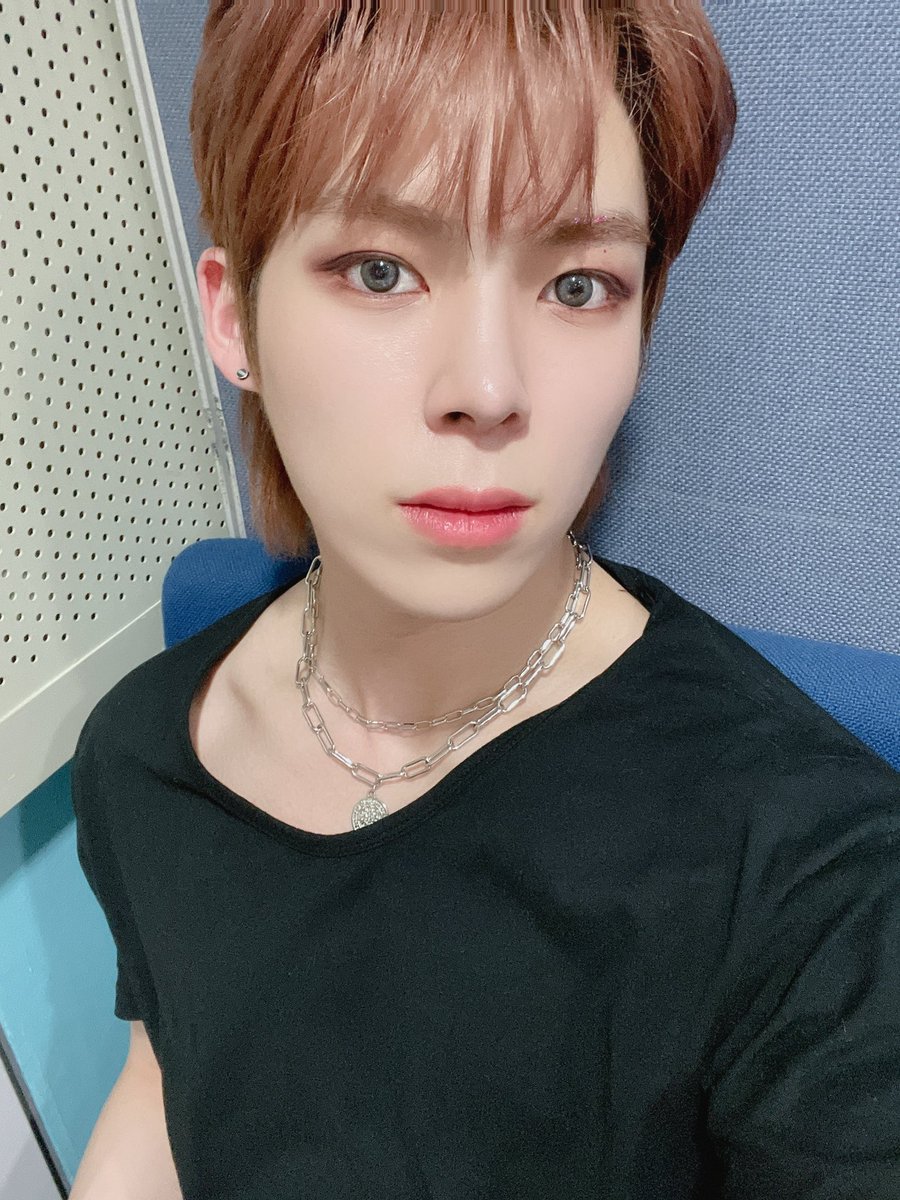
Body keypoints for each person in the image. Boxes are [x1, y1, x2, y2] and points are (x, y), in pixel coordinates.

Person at [70, 3, 900, 1198]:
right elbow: (166, 1079)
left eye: (578, 284)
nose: (490, 387)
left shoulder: (811, 872)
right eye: (380, 269)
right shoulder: (141, 753)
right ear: (234, 314)